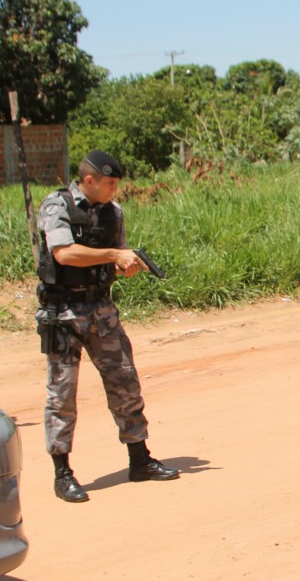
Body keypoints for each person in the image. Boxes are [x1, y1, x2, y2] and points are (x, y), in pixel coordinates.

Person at [36, 150, 179, 503]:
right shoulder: (57, 205)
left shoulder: (114, 214)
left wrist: (124, 266)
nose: (115, 190)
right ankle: (63, 473)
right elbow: (65, 254)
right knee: (62, 395)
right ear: (89, 181)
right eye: (110, 184)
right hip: (63, 312)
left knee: (125, 382)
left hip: (100, 309)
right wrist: (115, 255)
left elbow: (112, 261)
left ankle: (140, 459)